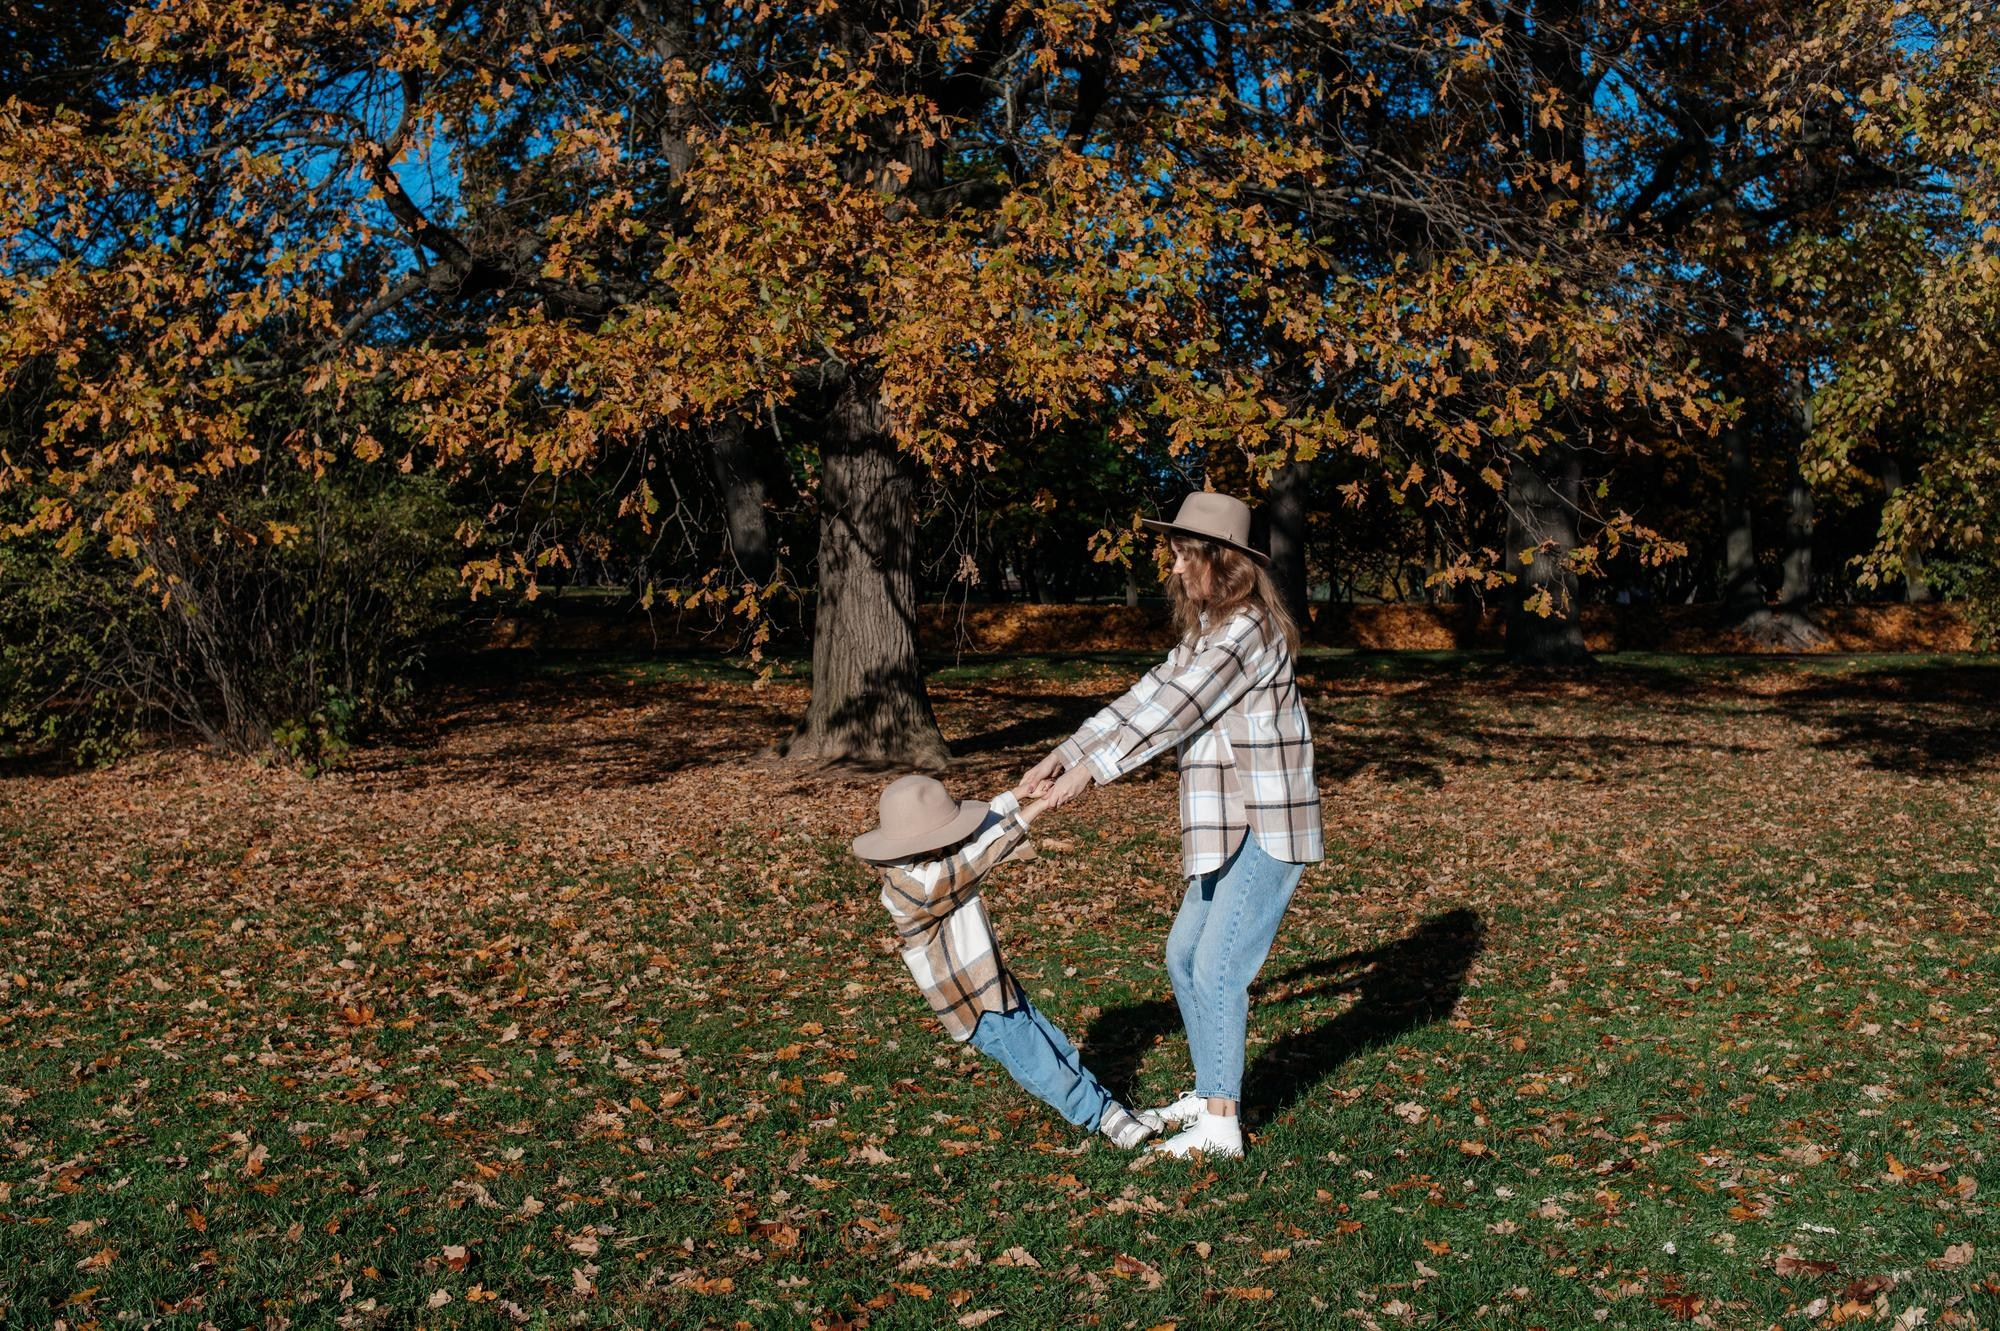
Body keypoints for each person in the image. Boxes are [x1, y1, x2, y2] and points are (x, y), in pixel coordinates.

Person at [1020, 491, 1322, 1160]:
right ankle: (1212, 1090)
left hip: (1268, 823)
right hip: (1227, 821)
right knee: (1184, 957)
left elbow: (1176, 710)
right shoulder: (1209, 630)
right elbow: (1149, 692)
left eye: (1187, 556)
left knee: (1218, 967)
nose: (1177, 569)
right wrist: (1067, 751)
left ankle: (1221, 1127)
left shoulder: (1246, 632)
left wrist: (1093, 771)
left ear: (1225, 562)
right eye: (1177, 555)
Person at [855, 774, 1163, 1148]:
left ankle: (1109, 1108)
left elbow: (971, 838)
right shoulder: (913, 888)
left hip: (990, 981)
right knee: (1037, 1062)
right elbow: (975, 857)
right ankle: (1102, 1118)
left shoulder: (926, 861)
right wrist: (1038, 807)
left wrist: (1018, 794)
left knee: (1052, 1044)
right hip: (971, 1000)